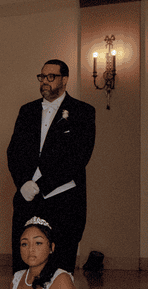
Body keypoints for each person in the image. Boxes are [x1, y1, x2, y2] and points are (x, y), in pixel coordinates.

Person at [7, 59, 96, 273]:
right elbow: (14, 152)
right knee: (24, 263)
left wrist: (42, 185)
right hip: (28, 199)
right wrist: (23, 183)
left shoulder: (83, 111)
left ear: (64, 80)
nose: (45, 81)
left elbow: (78, 157)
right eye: (42, 77)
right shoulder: (27, 111)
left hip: (64, 202)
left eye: (51, 77)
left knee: (60, 264)